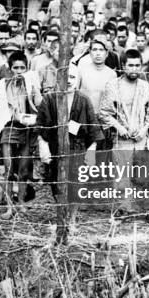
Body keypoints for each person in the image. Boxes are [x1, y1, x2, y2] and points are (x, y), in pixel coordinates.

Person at [99, 49, 149, 213]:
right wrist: (119, 127)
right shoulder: (113, 86)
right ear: (123, 66)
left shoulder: (145, 87)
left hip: (141, 139)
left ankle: (148, 209)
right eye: (130, 65)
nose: (134, 69)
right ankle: (125, 210)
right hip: (122, 139)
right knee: (122, 177)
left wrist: (144, 130)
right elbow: (104, 113)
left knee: (144, 175)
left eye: (137, 65)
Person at [36, 64, 103, 204]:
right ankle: (61, 218)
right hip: (55, 147)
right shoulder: (49, 99)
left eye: (73, 77)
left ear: (78, 80)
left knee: (76, 184)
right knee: (56, 183)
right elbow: (41, 126)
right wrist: (44, 147)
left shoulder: (84, 100)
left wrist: (91, 152)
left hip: (77, 147)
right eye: (65, 77)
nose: (69, 81)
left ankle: (71, 221)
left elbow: (93, 128)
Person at [0, 51, 42, 219]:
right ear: (10, 69)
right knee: (9, 170)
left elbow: (39, 104)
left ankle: (21, 203)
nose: (18, 71)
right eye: (15, 68)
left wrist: (36, 89)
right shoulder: (3, 86)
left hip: (27, 129)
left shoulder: (30, 85)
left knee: (24, 169)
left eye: (22, 68)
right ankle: (9, 208)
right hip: (9, 129)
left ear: (27, 69)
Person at [77, 38, 117, 112]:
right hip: (84, 114)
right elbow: (76, 94)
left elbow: (112, 100)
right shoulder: (82, 71)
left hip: (103, 115)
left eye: (101, 50)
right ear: (90, 52)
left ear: (107, 53)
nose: (98, 53)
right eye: (94, 50)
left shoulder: (112, 74)